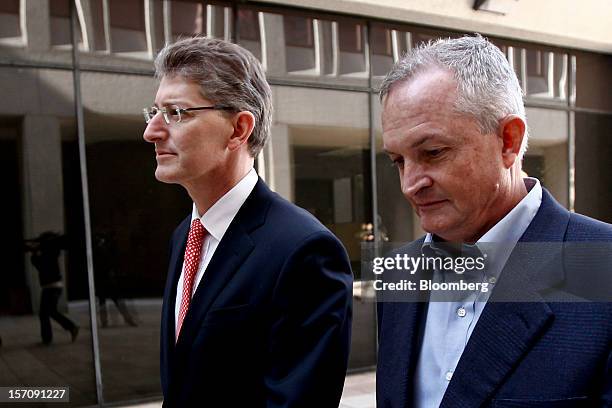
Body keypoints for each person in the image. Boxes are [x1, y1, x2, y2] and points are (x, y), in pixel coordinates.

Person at [376, 35, 612, 407]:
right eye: (399, 161)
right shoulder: (399, 273)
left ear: (508, 141)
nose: (410, 185)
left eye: (433, 152)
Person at [143, 37, 353, 407]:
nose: (152, 132)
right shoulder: (185, 236)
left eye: (176, 113)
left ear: (239, 130)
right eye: (154, 113)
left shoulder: (304, 250)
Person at [25, 232, 79, 345]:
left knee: (46, 313)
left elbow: (41, 266)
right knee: (49, 312)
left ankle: (69, 328)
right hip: (51, 287)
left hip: (52, 287)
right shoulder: (50, 252)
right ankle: (68, 329)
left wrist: (35, 253)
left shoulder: (50, 253)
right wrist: (35, 253)